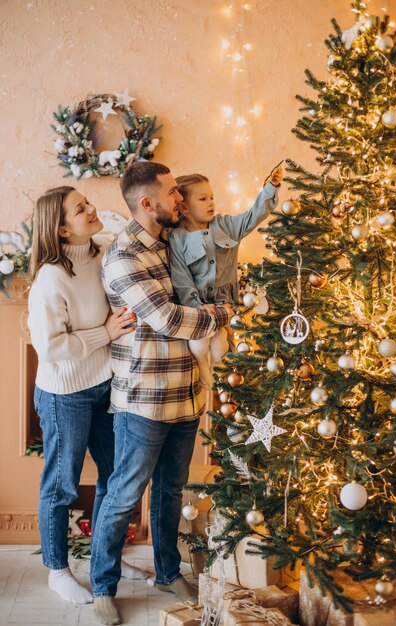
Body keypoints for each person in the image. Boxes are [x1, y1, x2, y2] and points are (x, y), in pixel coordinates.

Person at [89, 162, 230, 626]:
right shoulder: (124, 256)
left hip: (187, 395)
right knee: (124, 494)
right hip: (144, 401)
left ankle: (168, 571)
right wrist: (223, 314)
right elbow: (169, 319)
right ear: (148, 204)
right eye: (172, 193)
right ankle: (102, 588)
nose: (181, 200)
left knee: (171, 490)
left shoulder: (174, 240)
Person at [27, 186, 146, 606]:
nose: (93, 209)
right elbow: (50, 347)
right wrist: (105, 333)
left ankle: (106, 556)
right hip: (65, 395)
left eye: (87, 202)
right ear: (61, 229)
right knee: (61, 485)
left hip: (104, 386)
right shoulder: (50, 278)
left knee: (115, 477)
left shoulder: (102, 253)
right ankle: (57, 571)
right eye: (81, 209)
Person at [169, 165, 283, 389]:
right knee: (200, 344)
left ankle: (222, 382)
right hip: (197, 307)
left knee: (221, 346)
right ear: (183, 206)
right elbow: (181, 278)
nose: (211, 203)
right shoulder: (177, 238)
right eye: (203, 199)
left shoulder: (226, 226)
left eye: (211, 197)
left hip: (224, 305)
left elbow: (253, 216)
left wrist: (271, 188)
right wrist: (196, 306)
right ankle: (202, 367)